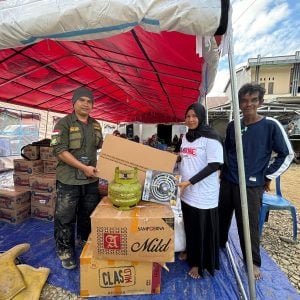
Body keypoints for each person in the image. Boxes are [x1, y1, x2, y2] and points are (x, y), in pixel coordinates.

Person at [218, 83, 294, 280]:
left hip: (252, 186)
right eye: (244, 100)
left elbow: (286, 154)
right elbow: (228, 151)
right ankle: (218, 245)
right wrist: (222, 171)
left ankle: (252, 262)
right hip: (228, 181)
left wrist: (267, 176)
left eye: (253, 100)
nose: (248, 104)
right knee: (221, 217)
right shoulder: (233, 125)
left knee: (248, 225)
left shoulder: (270, 125)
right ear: (239, 103)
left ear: (260, 102)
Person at [51, 87, 103, 270]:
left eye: (89, 101)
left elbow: (102, 147)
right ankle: (65, 250)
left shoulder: (96, 125)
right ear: (73, 103)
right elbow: (58, 151)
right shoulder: (63, 124)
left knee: (87, 215)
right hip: (69, 180)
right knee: (65, 218)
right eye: (81, 100)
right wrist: (83, 167)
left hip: (90, 181)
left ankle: (83, 240)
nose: (86, 104)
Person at [177, 102, 223, 279]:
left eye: (194, 116)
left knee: (201, 229)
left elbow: (214, 165)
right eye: (188, 116)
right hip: (186, 192)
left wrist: (190, 181)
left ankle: (198, 264)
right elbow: (186, 157)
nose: (190, 119)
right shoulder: (186, 137)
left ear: (201, 117)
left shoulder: (211, 137)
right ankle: (189, 251)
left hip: (203, 193)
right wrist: (175, 158)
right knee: (188, 225)